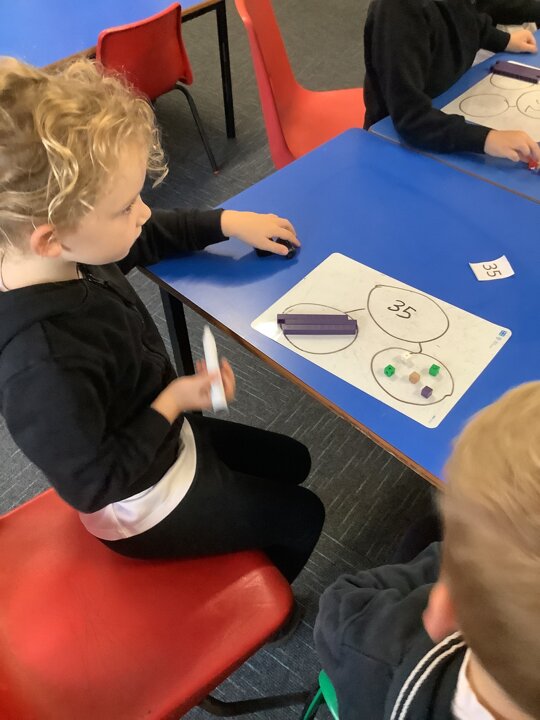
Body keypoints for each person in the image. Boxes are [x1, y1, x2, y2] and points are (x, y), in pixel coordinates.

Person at [0, 57, 325, 585]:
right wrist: (173, 400)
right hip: (142, 501)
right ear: (51, 238)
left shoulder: (68, 251)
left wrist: (228, 222)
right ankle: (265, 607)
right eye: (127, 206)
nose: (145, 212)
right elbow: (98, 484)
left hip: (161, 432)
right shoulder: (41, 366)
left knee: (294, 461)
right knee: (303, 515)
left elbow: (145, 236)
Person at [314, 382, 540, 720]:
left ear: (442, 606)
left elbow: (337, 610)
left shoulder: (379, 649)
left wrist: (462, 561)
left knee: (421, 534)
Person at [363, 0, 540, 163]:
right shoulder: (398, 11)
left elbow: (467, 22)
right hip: (394, 138)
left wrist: (504, 40)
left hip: (444, 107)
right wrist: (486, 138)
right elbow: (410, 116)